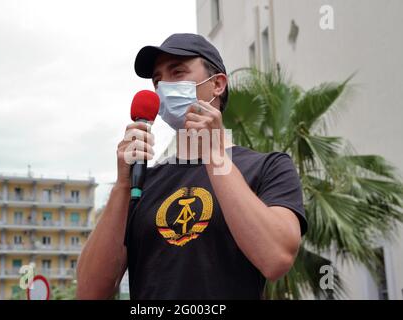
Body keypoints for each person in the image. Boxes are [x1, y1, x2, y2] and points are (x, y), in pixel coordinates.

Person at [77, 33, 308, 300]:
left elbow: (276, 258)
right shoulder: (141, 183)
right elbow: (89, 292)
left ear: (218, 84)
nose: (164, 87)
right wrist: (122, 186)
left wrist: (214, 153)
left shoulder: (268, 167)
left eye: (178, 72)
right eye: (157, 81)